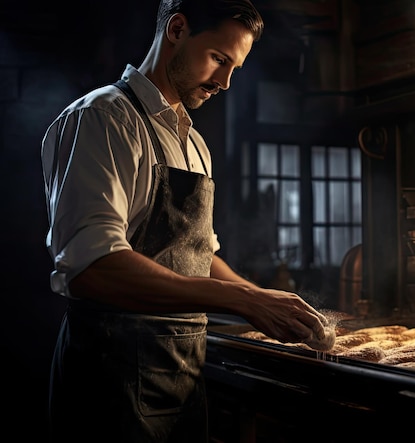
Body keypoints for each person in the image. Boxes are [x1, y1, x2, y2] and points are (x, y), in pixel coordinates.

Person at [40, 1, 332, 442]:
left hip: (182, 377)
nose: (225, 82)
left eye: (234, 68)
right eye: (219, 59)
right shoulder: (102, 118)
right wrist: (243, 302)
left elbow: (196, 255)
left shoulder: (194, 143)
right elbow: (92, 268)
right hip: (109, 382)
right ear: (177, 29)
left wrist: (265, 299)